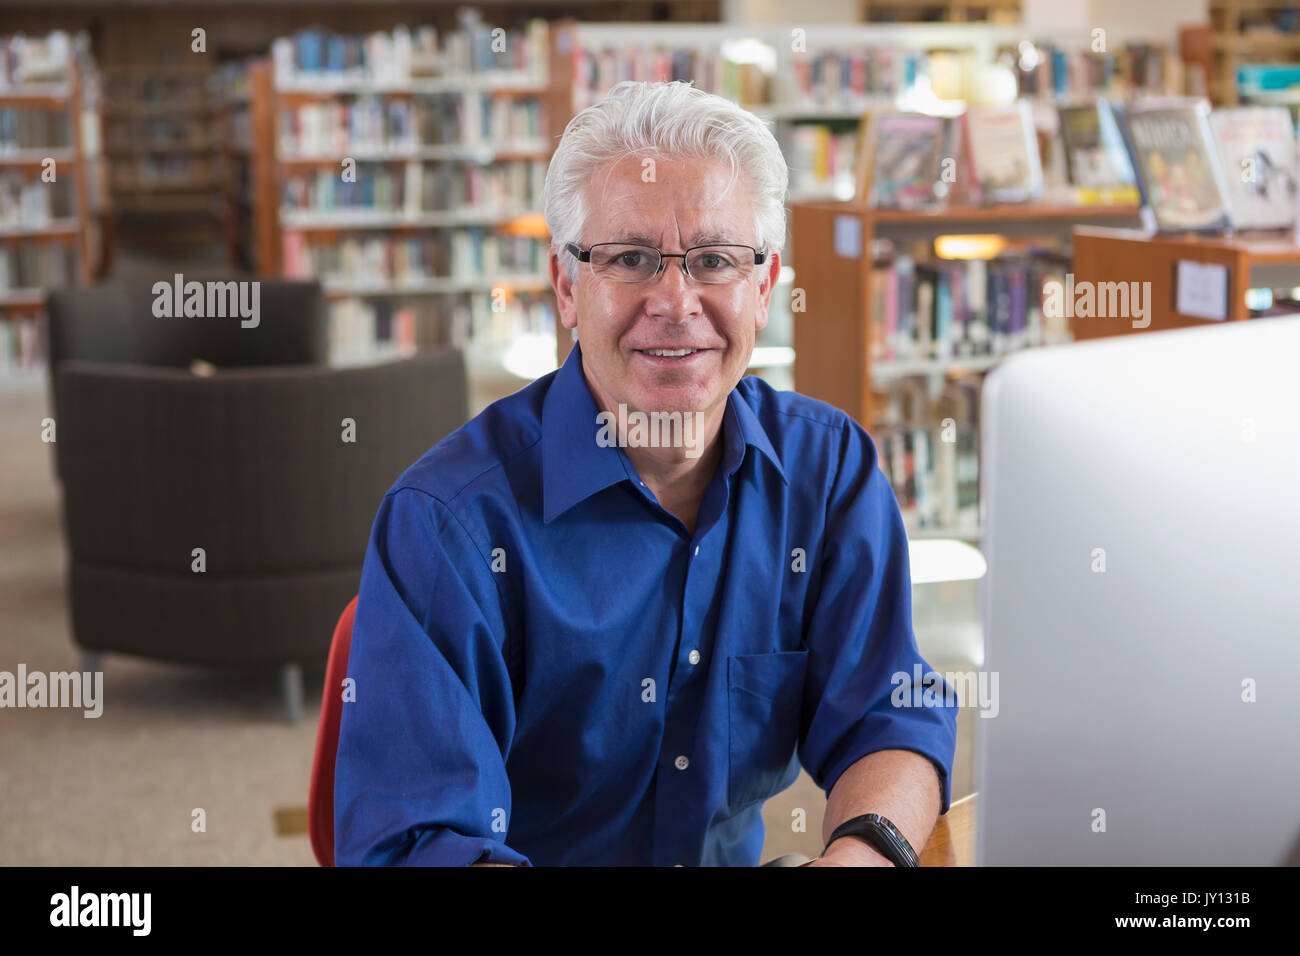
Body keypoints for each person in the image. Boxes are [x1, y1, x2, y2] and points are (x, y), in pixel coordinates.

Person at [333, 80, 958, 867]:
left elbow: (891, 715)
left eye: (714, 261)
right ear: (565, 285)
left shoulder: (827, 474)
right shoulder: (447, 522)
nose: (675, 301)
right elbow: (416, 840)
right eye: (630, 259)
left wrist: (862, 855)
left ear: (763, 288)